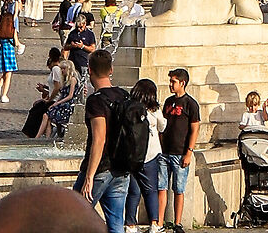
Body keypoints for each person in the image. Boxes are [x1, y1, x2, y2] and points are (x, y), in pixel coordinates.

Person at [76, 48, 134, 233]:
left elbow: (99, 139)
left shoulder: (96, 101)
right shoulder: (124, 96)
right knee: (116, 223)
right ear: (111, 70)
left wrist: (89, 176)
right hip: (122, 168)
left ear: (90, 70)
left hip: (100, 169)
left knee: (71, 216)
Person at [158, 66, 199, 224]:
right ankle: (160, 222)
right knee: (162, 187)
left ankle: (177, 222)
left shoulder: (190, 104)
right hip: (165, 152)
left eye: (173, 81)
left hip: (180, 153)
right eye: (170, 81)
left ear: (182, 83)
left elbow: (195, 129)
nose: (170, 84)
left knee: (178, 189)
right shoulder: (168, 102)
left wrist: (189, 152)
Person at [122, 77, 164, 228]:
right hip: (150, 154)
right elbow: (163, 126)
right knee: (150, 190)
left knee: (133, 191)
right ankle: (154, 223)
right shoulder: (155, 109)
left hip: (133, 155)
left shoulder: (130, 107)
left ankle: (130, 224)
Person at [0, 4, 19, 105]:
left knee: (5, 71)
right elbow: (16, 43)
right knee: (9, 74)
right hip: (10, 51)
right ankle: (4, 94)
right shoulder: (12, 30)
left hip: (2, 51)